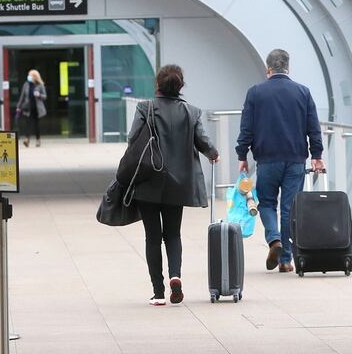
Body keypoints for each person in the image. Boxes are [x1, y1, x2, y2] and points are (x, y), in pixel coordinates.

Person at [122, 64, 219, 306]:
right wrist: (213, 153)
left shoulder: (145, 108)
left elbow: (132, 138)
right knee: (173, 234)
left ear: (158, 85)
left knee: (152, 237)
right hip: (179, 183)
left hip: (148, 180)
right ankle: (176, 275)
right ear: (180, 86)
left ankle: (158, 292)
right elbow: (203, 142)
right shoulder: (192, 112)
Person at [236, 49, 324, 273]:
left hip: (267, 159)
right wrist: (316, 155)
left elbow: (246, 127)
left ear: (268, 69)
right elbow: (313, 128)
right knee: (289, 208)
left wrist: (242, 155)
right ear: (288, 68)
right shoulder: (303, 92)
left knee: (266, 202)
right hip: (295, 159)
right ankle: (286, 260)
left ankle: (274, 239)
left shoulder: (255, 93)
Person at [16, 69, 46, 147]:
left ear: (34, 77)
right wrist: (18, 106)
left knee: (36, 125)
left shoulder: (40, 85)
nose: (28, 77)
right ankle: (27, 140)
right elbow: (22, 96)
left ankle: (38, 140)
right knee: (27, 124)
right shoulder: (26, 85)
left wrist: (39, 95)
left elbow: (45, 96)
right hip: (28, 107)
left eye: (30, 75)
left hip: (37, 108)